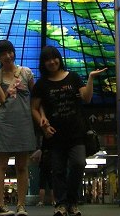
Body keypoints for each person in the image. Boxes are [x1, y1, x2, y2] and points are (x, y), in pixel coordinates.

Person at [31, 46, 107, 216]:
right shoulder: (41, 84)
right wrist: (43, 126)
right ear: (43, 63)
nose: (52, 62)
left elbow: (86, 98)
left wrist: (90, 78)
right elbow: (34, 108)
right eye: (47, 60)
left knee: (79, 163)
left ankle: (72, 201)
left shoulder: (73, 77)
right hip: (54, 135)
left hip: (76, 132)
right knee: (57, 170)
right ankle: (61, 204)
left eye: (54, 58)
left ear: (59, 58)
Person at [0, 40, 37, 216]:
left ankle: (21, 205)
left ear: (14, 52)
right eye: (3, 54)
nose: (7, 56)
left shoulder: (26, 72)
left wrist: (41, 117)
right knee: (2, 165)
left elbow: (36, 98)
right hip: (4, 122)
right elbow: (1, 99)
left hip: (24, 122)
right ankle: (0, 206)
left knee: (22, 166)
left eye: (10, 52)